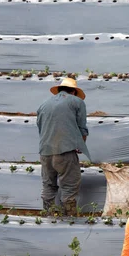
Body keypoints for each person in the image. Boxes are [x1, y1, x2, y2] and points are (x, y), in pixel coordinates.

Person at [36, 77, 90, 216]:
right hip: (65, 151)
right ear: (73, 92)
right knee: (70, 186)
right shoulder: (77, 102)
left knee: (48, 185)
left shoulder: (43, 104)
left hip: (45, 152)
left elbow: (40, 128)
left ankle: (48, 217)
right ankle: (69, 219)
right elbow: (82, 129)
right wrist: (79, 145)